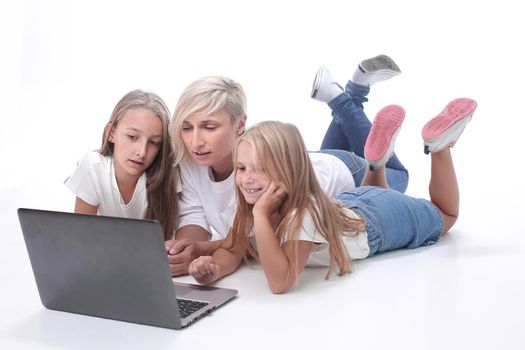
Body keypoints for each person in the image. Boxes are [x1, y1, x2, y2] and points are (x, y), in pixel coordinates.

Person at [187, 97, 477, 294]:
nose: (246, 178)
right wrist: (210, 270)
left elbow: (280, 282)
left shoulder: (300, 214)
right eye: (241, 168)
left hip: (379, 222)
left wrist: (262, 216)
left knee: (445, 214)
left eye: (260, 169)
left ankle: (439, 147)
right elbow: (233, 247)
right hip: (351, 204)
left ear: (288, 170)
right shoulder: (255, 204)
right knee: (376, 194)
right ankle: (375, 164)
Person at [166, 55, 409, 276]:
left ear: (240, 125)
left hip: (343, 172)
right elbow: (194, 220)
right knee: (337, 144)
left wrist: (204, 252)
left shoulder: (270, 179)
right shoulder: (190, 164)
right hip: (310, 158)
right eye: (186, 128)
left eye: (209, 127)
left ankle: (341, 99)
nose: (195, 141)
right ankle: (352, 91)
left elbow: (261, 244)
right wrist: (181, 254)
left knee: (397, 175)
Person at [64, 89, 180, 240]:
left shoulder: (170, 174)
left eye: (154, 142)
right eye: (132, 137)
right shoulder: (93, 167)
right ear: (111, 133)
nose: (142, 152)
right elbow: (80, 236)